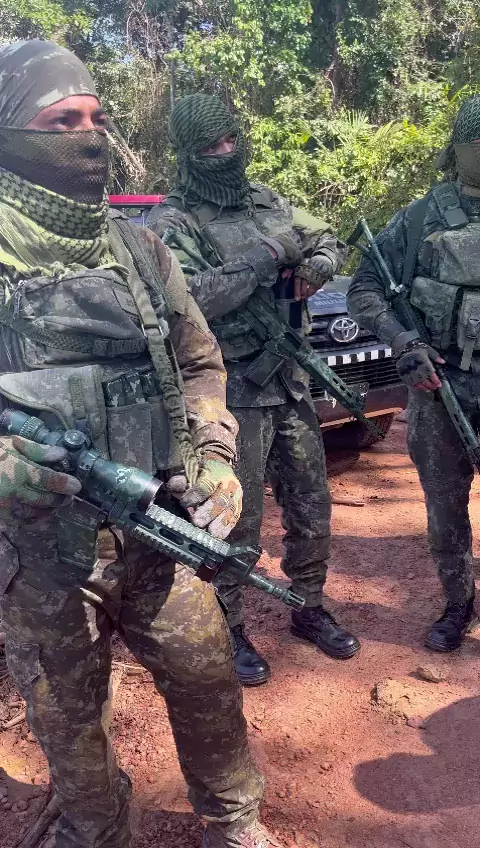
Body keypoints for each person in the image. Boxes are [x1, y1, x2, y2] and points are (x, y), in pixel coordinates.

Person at [0, 40, 282, 848]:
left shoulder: (139, 247)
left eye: (97, 117)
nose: (88, 136)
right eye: (62, 120)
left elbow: (198, 363)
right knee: (69, 724)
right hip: (42, 557)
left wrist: (215, 456)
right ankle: (96, 830)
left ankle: (234, 823)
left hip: (158, 524)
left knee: (209, 685)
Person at [147, 94, 360, 687]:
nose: (227, 152)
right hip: (229, 388)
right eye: (212, 146)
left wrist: (315, 266)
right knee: (235, 517)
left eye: (231, 140)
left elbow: (327, 239)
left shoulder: (267, 199)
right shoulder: (172, 222)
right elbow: (192, 301)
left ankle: (309, 606)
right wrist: (267, 256)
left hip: (290, 379)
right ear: (188, 153)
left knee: (311, 503)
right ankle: (230, 624)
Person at [347, 95, 480, 653]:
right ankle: (458, 605)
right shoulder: (421, 218)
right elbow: (363, 290)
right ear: (459, 149)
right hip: (440, 385)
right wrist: (405, 343)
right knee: (445, 508)